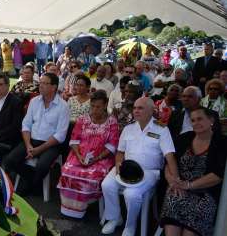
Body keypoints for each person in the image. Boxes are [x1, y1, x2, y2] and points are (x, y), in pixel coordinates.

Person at [101, 97, 177, 236]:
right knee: (107, 185)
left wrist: (176, 178)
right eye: (135, 108)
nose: (136, 111)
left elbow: (169, 156)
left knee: (132, 194)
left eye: (140, 108)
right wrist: (118, 163)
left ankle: (130, 226)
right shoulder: (128, 128)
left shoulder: (162, 129)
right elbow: (120, 152)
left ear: (152, 110)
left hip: (149, 172)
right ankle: (115, 218)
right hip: (127, 167)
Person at [160, 107, 226, 236]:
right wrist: (172, 180)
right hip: (179, 189)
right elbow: (169, 163)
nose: (196, 123)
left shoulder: (222, 142)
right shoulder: (185, 138)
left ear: (211, 120)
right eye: (193, 120)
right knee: (173, 199)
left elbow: (218, 175)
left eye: (200, 119)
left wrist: (189, 185)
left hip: (205, 194)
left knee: (197, 215)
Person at [4, 73, 70, 195]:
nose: (41, 86)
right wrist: (29, 145)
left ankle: (30, 184)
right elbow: (26, 125)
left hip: (50, 144)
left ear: (54, 87)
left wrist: (39, 149)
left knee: (42, 166)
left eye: (45, 83)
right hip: (31, 140)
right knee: (10, 160)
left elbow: (60, 135)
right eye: (40, 82)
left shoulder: (63, 106)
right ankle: (33, 181)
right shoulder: (34, 101)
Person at [58, 90, 119, 218]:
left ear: (105, 105)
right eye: (92, 106)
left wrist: (96, 158)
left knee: (91, 175)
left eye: (98, 107)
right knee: (67, 171)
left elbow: (112, 145)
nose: (95, 110)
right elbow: (74, 140)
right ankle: (70, 209)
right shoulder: (83, 119)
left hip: (102, 158)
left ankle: (84, 206)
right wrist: (79, 156)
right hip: (79, 154)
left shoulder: (112, 121)